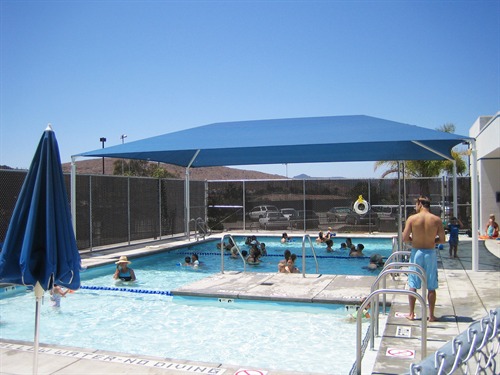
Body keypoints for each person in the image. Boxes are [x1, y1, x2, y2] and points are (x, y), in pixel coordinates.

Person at [403, 196, 446, 322]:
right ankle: (431, 316)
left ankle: (411, 314)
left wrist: (414, 240)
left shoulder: (412, 219)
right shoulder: (436, 219)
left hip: (416, 252)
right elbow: (443, 240)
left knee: (413, 284)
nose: (415, 207)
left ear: (420, 204)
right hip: (430, 252)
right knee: (431, 286)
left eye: (416, 204)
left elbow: (405, 238)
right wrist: (432, 241)